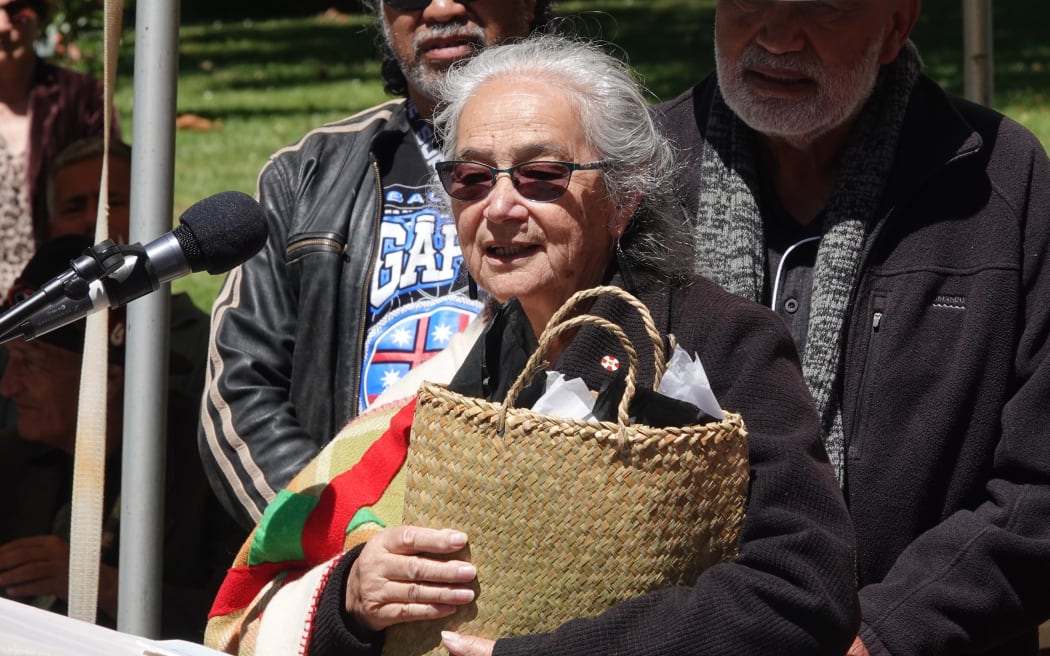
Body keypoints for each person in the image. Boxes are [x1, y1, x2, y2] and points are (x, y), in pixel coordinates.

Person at [205, 35, 859, 656]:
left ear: (623, 198)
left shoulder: (718, 341)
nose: (499, 208)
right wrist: (352, 598)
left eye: (542, 175)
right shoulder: (463, 367)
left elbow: (802, 583)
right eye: (472, 178)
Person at [653, 1, 1050, 654]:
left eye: (823, 7)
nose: (779, 37)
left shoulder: (1001, 183)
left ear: (895, 25)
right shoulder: (637, 174)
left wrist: (886, 635)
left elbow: (1037, 490)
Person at [198, 0, 556, 531]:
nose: (440, 7)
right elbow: (241, 390)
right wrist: (340, 537)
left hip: (539, 525)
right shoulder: (304, 175)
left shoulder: (609, 160)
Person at [0, 235, 243, 641]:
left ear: (108, 377)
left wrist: (106, 587)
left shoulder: (214, 464)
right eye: (11, 361)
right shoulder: (13, 460)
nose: (8, 386)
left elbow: (245, 620)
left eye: (31, 363)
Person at [44, 135, 211, 403]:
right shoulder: (26, 339)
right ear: (52, 228)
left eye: (111, 203)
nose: (92, 219)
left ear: (150, 216)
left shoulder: (201, 341)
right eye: (74, 207)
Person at [0, 0, 116, 296]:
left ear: (39, 13)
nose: (2, 26)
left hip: (63, 294)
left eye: (15, 11)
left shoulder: (83, 99)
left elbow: (115, 192)